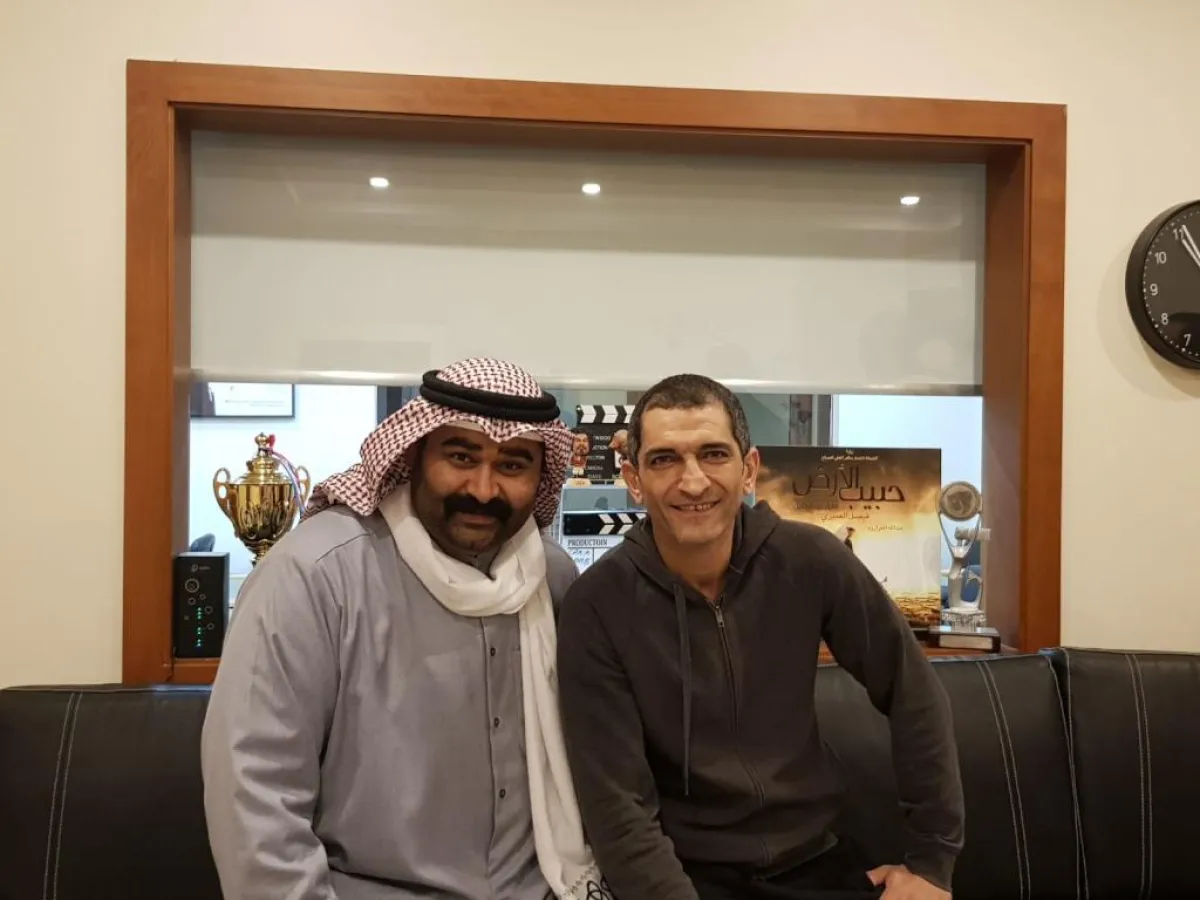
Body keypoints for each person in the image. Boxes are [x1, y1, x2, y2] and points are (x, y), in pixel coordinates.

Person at [201, 357, 611, 900]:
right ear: (413, 454)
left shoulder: (550, 579)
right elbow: (255, 799)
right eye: (461, 457)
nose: (483, 489)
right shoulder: (315, 576)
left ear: (541, 477)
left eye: (513, 465)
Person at [556, 374, 964, 900]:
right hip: (682, 877)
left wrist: (932, 862)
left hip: (818, 861)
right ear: (634, 479)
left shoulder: (811, 560)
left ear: (748, 469)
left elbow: (912, 691)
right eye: (664, 460)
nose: (693, 482)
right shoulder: (596, 606)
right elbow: (618, 806)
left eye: (713, 454)